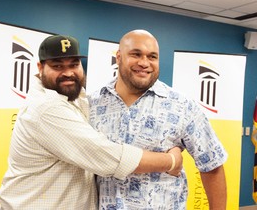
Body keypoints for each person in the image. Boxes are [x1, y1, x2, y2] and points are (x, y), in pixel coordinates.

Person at [0, 34, 183, 210]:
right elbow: (106, 156)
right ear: (40, 68)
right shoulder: (47, 109)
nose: (68, 72)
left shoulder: (77, 99)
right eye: (57, 66)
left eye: (74, 64)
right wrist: (171, 161)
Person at [88, 30, 228, 210]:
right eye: (136, 54)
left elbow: (212, 165)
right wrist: (170, 161)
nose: (144, 63)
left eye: (152, 56)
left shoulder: (182, 106)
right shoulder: (92, 104)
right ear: (119, 57)